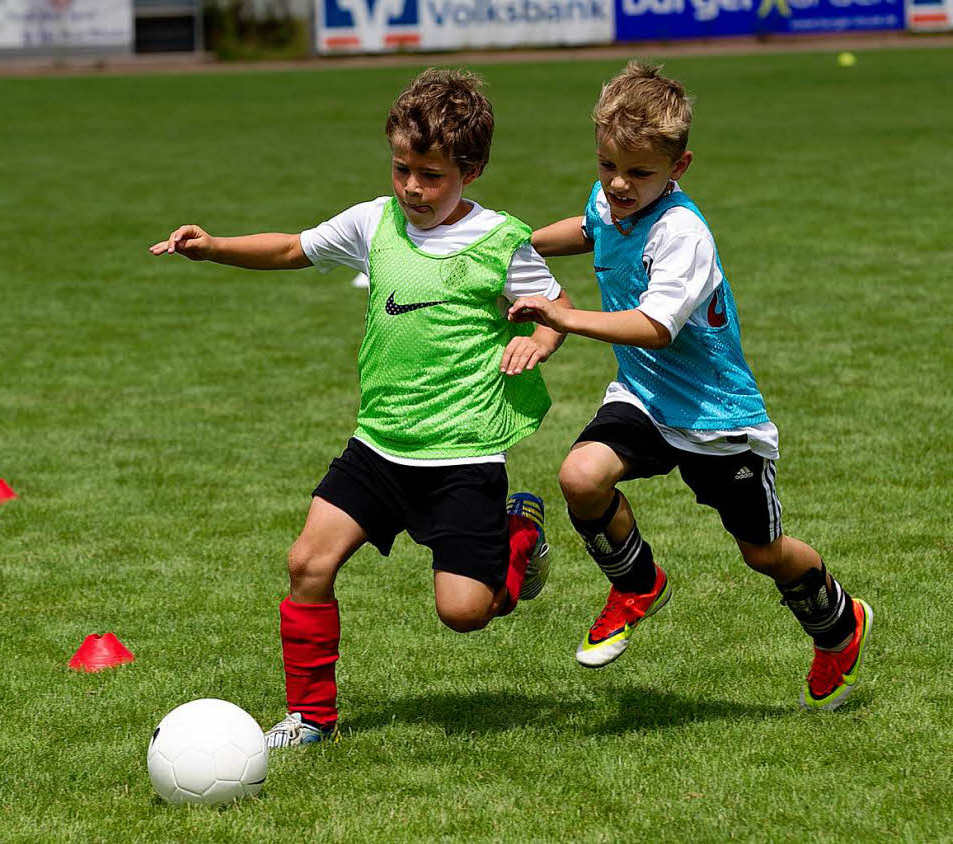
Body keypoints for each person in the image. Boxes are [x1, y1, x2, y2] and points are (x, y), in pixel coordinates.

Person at [150, 68, 571, 746]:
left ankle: (518, 533)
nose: (412, 187)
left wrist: (542, 339)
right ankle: (310, 717)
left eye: (431, 175)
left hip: (460, 457)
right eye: (403, 168)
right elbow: (291, 248)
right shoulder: (374, 222)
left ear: (472, 168)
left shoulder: (500, 240)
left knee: (466, 614)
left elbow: (557, 307)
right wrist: (213, 248)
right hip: (377, 447)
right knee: (307, 563)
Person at [510, 62, 872, 711]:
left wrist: (563, 314)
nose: (618, 184)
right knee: (581, 477)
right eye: (607, 166)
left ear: (679, 167)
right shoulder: (612, 198)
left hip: (716, 419)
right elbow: (590, 225)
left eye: (638, 173)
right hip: (646, 401)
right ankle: (637, 584)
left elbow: (653, 326)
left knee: (763, 553)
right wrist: (509, 247)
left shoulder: (682, 233)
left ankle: (839, 626)